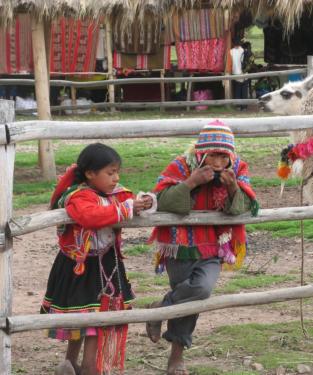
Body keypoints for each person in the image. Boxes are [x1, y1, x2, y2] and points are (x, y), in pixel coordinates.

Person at [145, 120, 259, 375]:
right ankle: (176, 359)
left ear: (230, 155)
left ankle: (159, 309)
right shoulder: (181, 165)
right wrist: (190, 183)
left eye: (223, 156)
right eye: (212, 156)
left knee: (201, 290)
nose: (218, 163)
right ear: (201, 153)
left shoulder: (239, 168)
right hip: (179, 244)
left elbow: (241, 210)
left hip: (214, 247)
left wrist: (232, 187)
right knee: (187, 296)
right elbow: (162, 201)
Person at [42, 143, 153, 375]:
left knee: (95, 314)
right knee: (88, 315)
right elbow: (90, 217)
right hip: (81, 265)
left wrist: (143, 203)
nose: (116, 178)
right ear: (91, 174)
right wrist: (126, 208)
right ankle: (85, 367)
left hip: (108, 262)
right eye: (110, 173)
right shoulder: (78, 197)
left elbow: (128, 200)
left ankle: (74, 364)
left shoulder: (114, 193)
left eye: (117, 172)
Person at [229, 39, 248, 110]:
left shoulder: (231, 51)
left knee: (237, 90)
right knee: (244, 90)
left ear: (233, 43)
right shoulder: (243, 51)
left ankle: (238, 106)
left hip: (235, 74)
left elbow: (230, 64)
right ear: (240, 43)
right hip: (244, 73)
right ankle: (244, 107)